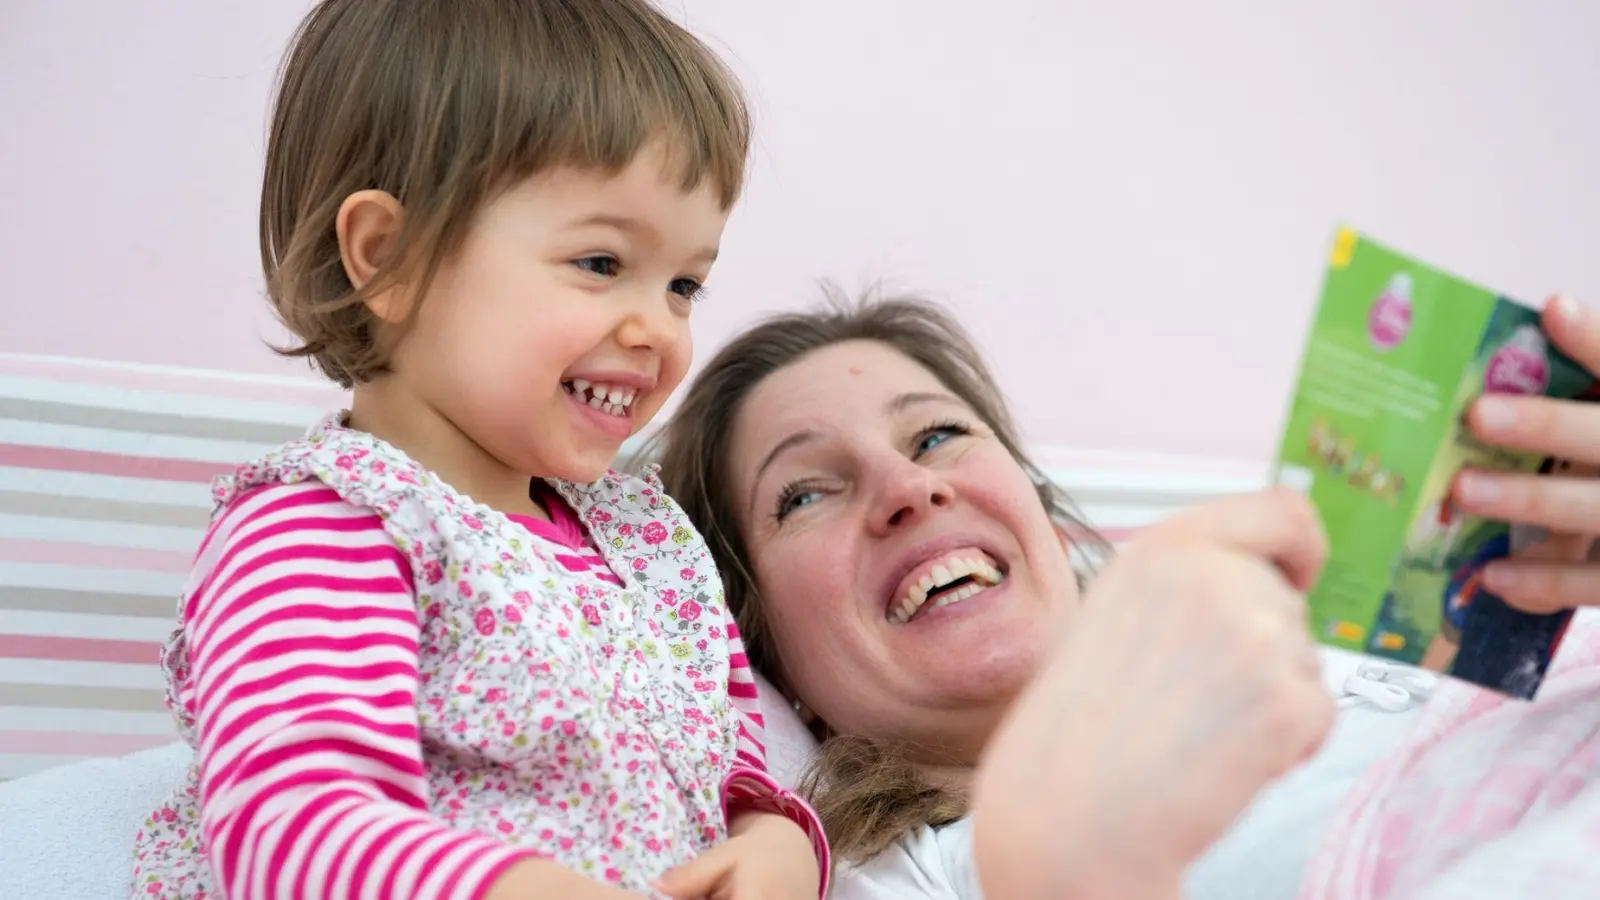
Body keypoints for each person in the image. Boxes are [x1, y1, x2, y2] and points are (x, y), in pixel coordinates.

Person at [128, 2, 826, 899]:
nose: (658, 328)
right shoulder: (327, 526)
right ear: (390, 259)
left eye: (684, 284)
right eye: (602, 263)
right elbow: (289, 826)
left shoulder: (648, 543)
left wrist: (775, 837)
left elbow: (727, 757)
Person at [653, 288, 1600, 899]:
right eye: (806, 492)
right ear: (763, 654)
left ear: (1051, 525)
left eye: (937, 437)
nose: (909, 490)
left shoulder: (1375, 636)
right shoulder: (899, 880)